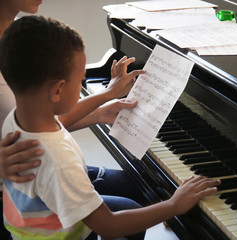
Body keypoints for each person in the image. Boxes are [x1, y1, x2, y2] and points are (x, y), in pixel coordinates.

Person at [0, 15, 220, 239]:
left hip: (28, 226)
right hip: (63, 235)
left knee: (131, 205)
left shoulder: (21, 119)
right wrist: (174, 205)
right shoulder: (58, 161)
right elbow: (109, 226)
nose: (81, 86)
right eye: (80, 81)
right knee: (130, 215)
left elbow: (59, 118)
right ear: (57, 90)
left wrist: (107, 95)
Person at [0, 0, 149, 238]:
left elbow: (40, 117)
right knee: (131, 207)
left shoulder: (22, 34)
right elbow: (107, 224)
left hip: (37, 167)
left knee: (139, 186)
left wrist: (100, 108)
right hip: (23, 191)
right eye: (79, 79)